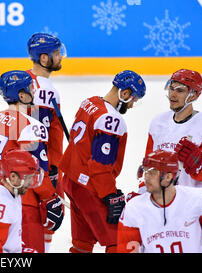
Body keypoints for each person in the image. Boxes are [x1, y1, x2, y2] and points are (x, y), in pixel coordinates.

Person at [0, 70, 64, 253]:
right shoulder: (32, 126)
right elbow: (37, 173)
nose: (34, 92)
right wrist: (50, 198)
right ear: (21, 95)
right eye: (30, 89)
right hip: (21, 203)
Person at [59, 70, 146, 253]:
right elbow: (100, 165)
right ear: (124, 93)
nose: (131, 105)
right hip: (90, 188)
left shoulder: (90, 102)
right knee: (118, 241)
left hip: (71, 181)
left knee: (81, 244)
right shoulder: (111, 119)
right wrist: (110, 195)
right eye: (133, 100)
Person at [118, 150, 202, 253]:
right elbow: (127, 249)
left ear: (168, 177)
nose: (146, 177)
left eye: (152, 173)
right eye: (145, 171)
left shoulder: (198, 199)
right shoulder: (133, 209)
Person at [26, 32, 67, 251]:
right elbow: (40, 134)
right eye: (57, 53)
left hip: (25, 166)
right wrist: (50, 170)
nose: (61, 57)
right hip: (43, 167)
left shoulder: (23, 78)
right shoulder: (47, 90)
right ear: (44, 58)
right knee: (48, 220)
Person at [139, 69, 202, 193]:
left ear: (193, 94)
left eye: (180, 90)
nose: (173, 95)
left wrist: (200, 165)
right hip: (161, 202)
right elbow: (147, 165)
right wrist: (142, 194)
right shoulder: (158, 122)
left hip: (192, 204)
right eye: (171, 88)